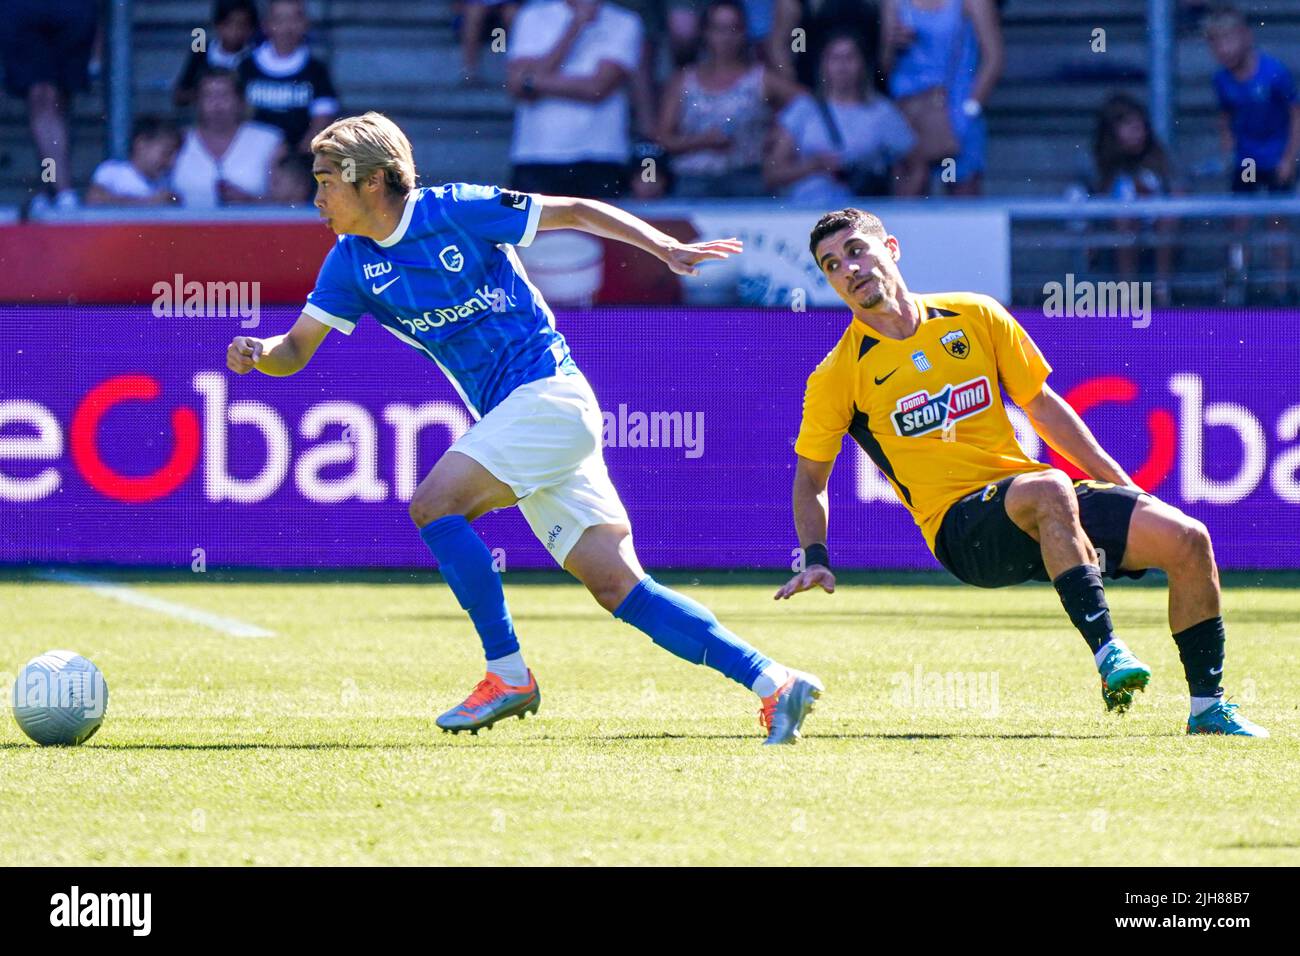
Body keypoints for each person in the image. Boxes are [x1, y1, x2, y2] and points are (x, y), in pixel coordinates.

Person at [224, 112, 824, 745]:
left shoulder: (458, 209)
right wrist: (260, 352)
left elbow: (576, 210)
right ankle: (776, 684)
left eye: (325, 182)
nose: (315, 198)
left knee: (433, 505)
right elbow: (295, 351)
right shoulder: (349, 262)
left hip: (549, 399)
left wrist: (665, 247)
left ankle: (507, 674)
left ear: (372, 181)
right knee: (620, 586)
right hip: (527, 426)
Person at [776, 207, 1268, 737]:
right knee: (1049, 486)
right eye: (831, 265)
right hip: (961, 531)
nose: (848, 269)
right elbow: (810, 479)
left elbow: (1043, 406)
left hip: (1037, 501)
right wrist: (816, 557)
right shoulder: (836, 374)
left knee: (1189, 539)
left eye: (855, 250)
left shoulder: (975, 315)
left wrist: (1122, 484)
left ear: (890, 248)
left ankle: (1208, 709)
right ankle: (1109, 653)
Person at [657, 0, 802, 198]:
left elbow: (804, 103)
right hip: (693, 180)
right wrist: (701, 141)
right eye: (718, 29)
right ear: (706, 33)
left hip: (747, 178)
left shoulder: (760, 79)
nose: (726, 37)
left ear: (744, 33)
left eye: (733, 28)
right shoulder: (684, 81)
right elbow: (663, 138)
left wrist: (779, 134)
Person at [1205, 4, 1300, 302]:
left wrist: (1289, 158)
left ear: (1246, 37)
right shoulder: (1221, 80)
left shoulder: (1274, 73)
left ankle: (1281, 287)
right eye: (1216, 43)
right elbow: (1225, 116)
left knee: (1276, 220)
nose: (1224, 49)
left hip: (1276, 157)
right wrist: (1227, 146)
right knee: (1238, 220)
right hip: (1246, 159)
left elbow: (1296, 114)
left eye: (1228, 40)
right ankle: (1237, 285)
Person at [505, 0, 643, 198]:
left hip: (600, 154)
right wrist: (575, 27)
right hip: (536, 152)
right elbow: (517, 87)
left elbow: (597, 88)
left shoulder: (625, 21)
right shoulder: (531, 16)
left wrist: (533, 81)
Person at [765, 32, 916, 201]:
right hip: (806, 211)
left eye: (849, 58)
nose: (842, 66)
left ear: (863, 64)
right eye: (834, 58)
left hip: (862, 217)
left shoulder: (882, 112)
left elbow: (915, 165)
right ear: (824, 65)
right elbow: (773, 172)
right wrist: (814, 165)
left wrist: (902, 209)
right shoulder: (803, 109)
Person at [880, 0, 1002, 196]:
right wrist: (889, 44)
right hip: (909, 115)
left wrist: (969, 109)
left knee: (960, 197)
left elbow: (994, 59)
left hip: (956, 115)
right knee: (910, 199)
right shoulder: (894, 3)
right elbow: (884, 66)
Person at [0, 0, 99, 212]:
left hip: (70, 10)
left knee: (58, 100)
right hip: (24, 9)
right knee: (42, 96)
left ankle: (50, 187)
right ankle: (62, 189)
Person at [1088, 93, 1179, 304]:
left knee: (1168, 219)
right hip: (1112, 224)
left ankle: (1162, 289)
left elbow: (1177, 189)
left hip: (1154, 219)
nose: (1138, 134)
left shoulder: (1158, 157)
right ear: (1112, 132)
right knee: (1125, 221)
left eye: (1140, 127)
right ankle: (1127, 292)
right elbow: (1092, 198)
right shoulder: (1098, 162)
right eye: (1130, 128)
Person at [172, 69, 285, 209]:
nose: (217, 104)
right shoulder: (177, 140)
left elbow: (290, 201)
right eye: (208, 96)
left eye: (224, 95)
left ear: (240, 100)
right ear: (197, 101)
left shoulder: (270, 141)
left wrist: (250, 201)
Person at [237, 0, 339, 153]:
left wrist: (296, 157)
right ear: (266, 25)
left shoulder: (316, 70)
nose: (287, 27)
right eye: (279, 19)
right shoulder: (246, 67)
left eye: (294, 19)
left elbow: (322, 119)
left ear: (305, 23)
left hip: (298, 158)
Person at [174, 0, 259, 109]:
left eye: (242, 25)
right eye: (228, 24)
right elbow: (180, 93)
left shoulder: (256, 56)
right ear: (217, 25)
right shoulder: (201, 49)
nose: (235, 31)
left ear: (251, 29)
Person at [85, 116, 182, 207]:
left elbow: (174, 200)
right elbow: (94, 199)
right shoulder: (112, 171)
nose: (171, 163)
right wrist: (148, 202)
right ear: (142, 144)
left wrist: (173, 200)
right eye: (167, 153)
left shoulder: (165, 180)